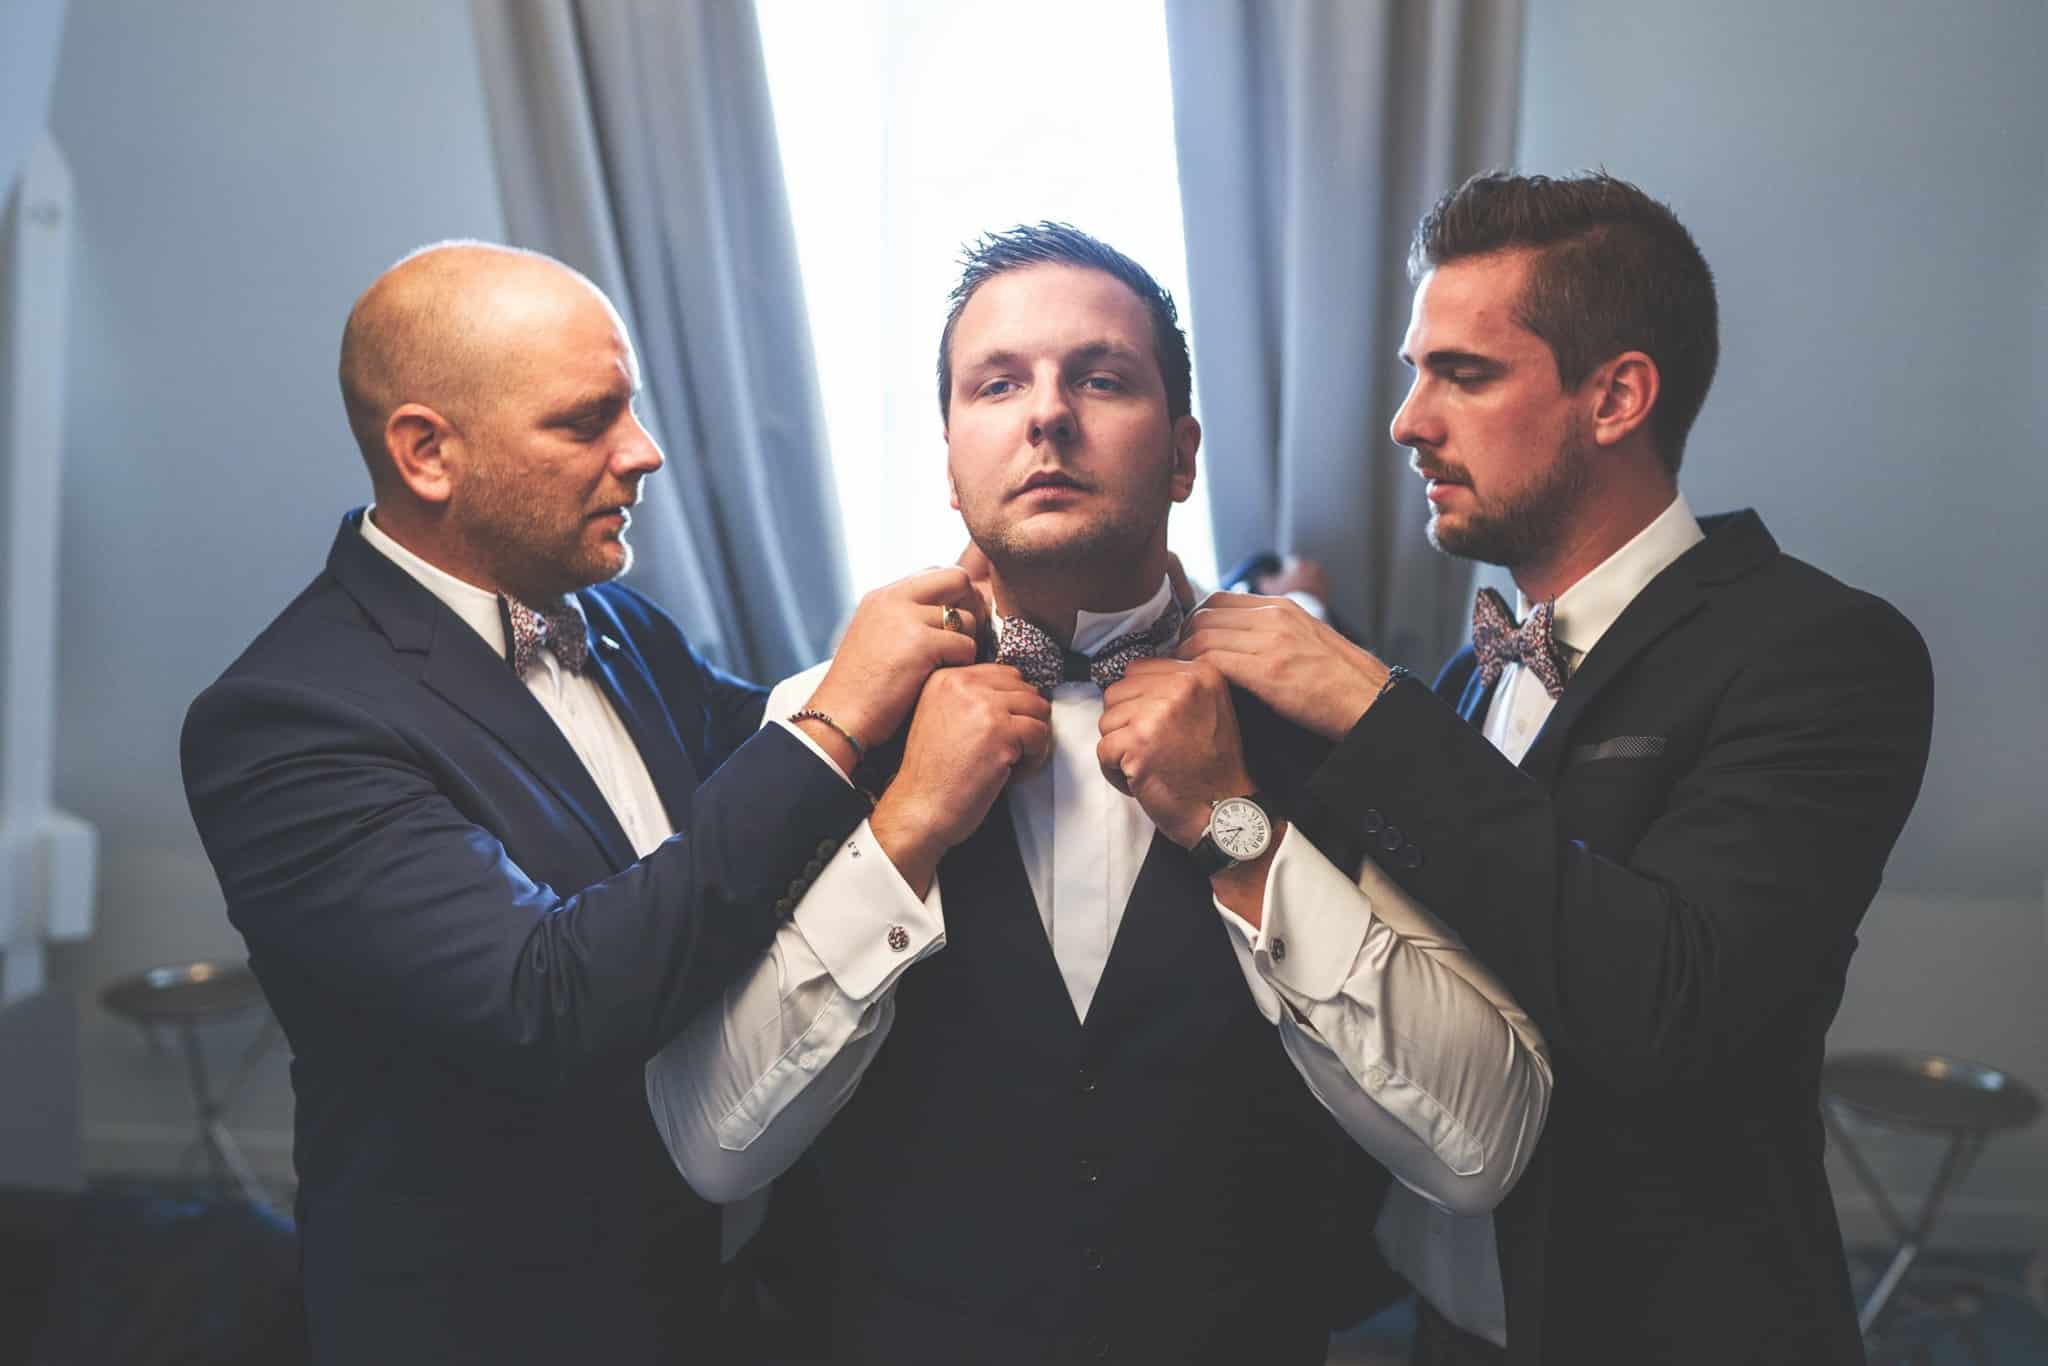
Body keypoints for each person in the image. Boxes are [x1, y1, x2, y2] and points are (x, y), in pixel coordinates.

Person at [645, 223, 1552, 1365]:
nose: (1046, 415)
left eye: (1101, 378)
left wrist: (1237, 830)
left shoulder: (1325, 722)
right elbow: (711, 1149)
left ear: (1181, 456)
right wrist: (905, 828)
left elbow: (1482, 1149)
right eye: (997, 383)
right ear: (948, 460)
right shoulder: (822, 721)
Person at [179, 242, 983, 1365]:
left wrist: (980, 617)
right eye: (586, 421)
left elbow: (753, 758)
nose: (644, 451)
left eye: (631, 407)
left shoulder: (610, 616)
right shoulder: (286, 720)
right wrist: (842, 716)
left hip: (734, 1297)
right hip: (509, 1324)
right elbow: (539, 1002)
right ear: (426, 453)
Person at [1177, 173, 1935, 1364]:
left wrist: (1371, 712)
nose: (1406, 421)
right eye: (1413, 372)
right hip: (1432, 1327)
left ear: (1615, 397)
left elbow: (1666, 1003)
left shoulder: (1821, 651)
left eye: (1462, 374)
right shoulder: (1465, 679)